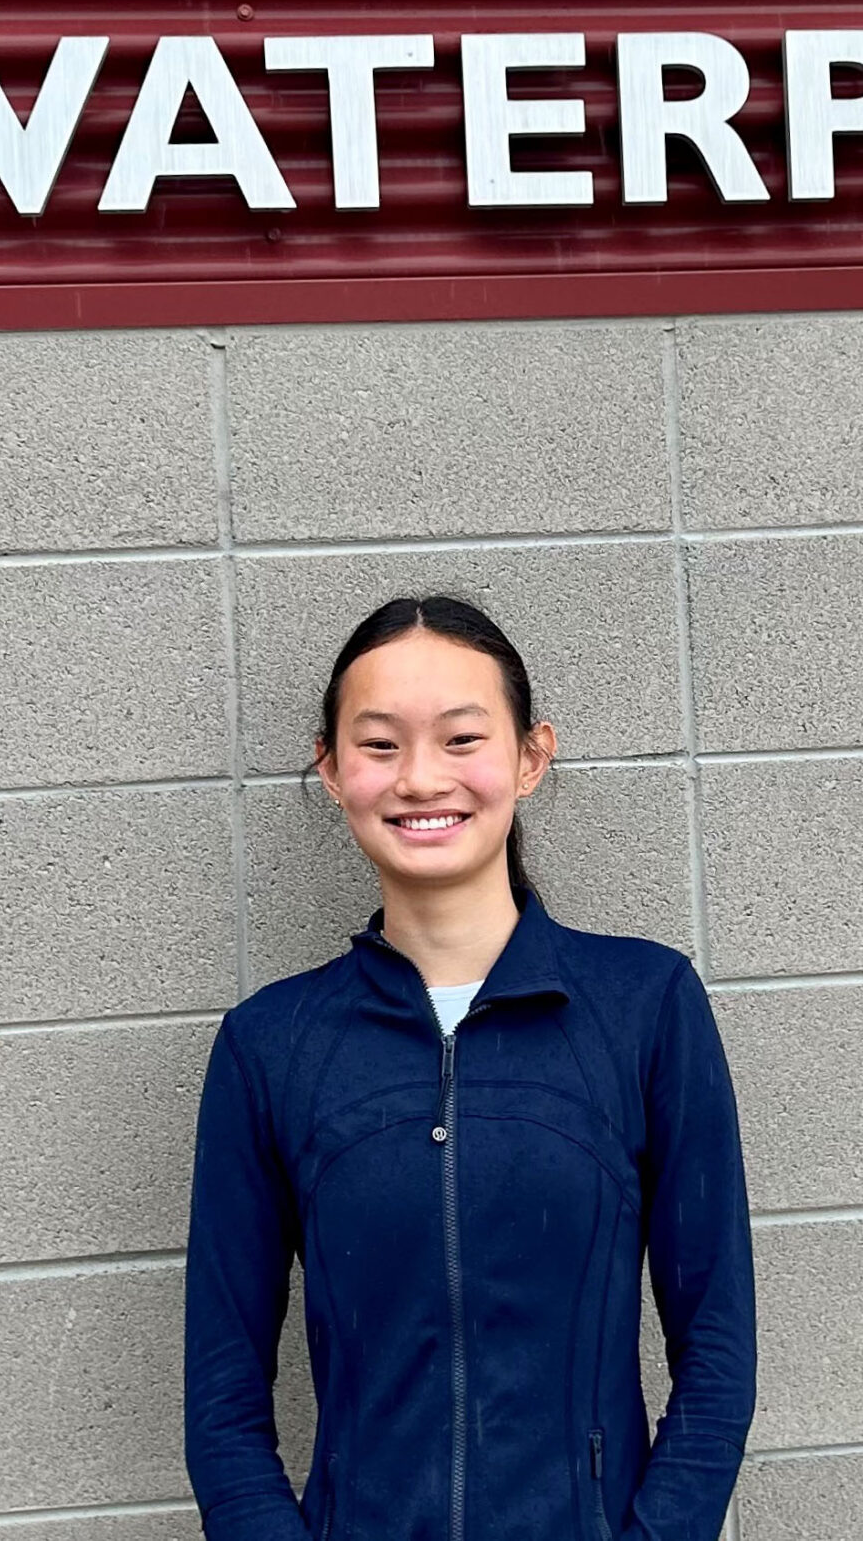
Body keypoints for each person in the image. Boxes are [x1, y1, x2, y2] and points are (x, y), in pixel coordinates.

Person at [184, 594, 757, 1541]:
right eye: (378, 745)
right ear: (331, 770)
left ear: (530, 757)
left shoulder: (643, 1006)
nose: (419, 779)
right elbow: (222, 1393)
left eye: (461, 739)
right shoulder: (270, 1045)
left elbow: (718, 1347)